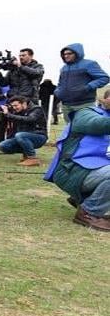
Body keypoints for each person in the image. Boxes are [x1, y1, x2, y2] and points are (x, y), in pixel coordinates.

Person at [44, 89, 110, 231]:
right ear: (105, 99)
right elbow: (99, 124)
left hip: (95, 171)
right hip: (71, 170)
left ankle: (85, 199)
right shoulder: (86, 113)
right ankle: (88, 212)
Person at [55, 43, 109, 123]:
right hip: (66, 104)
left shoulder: (89, 64)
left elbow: (104, 78)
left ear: (77, 53)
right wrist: (58, 92)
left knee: (85, 129)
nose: (66, 56)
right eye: (64, 54)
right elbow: (60, 83)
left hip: (84, 104)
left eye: (69, 53)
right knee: (69, 130)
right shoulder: (64, 68)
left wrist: (88, 87)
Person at [0, 95, 47, 166]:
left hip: (39, 136)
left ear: (23, 103)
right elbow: (14, 128)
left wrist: (9, 115)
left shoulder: (36, 109)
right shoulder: (17, 112)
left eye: (16, 105)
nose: (14, 108)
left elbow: (30, 119)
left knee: (20, 135)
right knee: (3, 146)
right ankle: (26, 153)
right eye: (12, 106)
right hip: (24, 137)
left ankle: (32, 159)